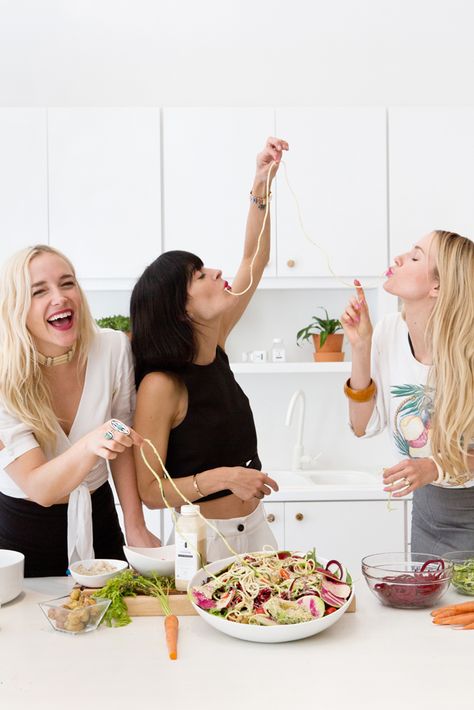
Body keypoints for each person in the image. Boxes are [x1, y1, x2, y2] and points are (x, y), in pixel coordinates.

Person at [131, 137, 288, 561]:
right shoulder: (161, 386)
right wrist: (224, 477)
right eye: (200, 275)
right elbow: (149, 491)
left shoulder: (215, 343)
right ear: (178, 309)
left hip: (257, 530)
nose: (216, 271)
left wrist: (261, 185)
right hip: (204, 543)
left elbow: (253, 261)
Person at [0, 245, 160, 577]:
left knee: (115, 623)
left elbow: (122, 447)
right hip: (21, 534)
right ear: (16, 308)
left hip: (98, 517)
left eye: (67, 283)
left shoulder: (113, 348)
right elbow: (39, 487)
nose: (59, 297)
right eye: (39, 291)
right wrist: (90, 443)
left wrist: (135, 525)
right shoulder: (4, 377)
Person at [341, 230, 474, 554]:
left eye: (415, 257)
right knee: (434, 605)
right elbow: (362, 426)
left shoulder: (468, 350)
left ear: (438, 286)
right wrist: (361, 348)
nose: (398, 259)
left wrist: (434, 466)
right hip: (427, 511)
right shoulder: (387, 331)